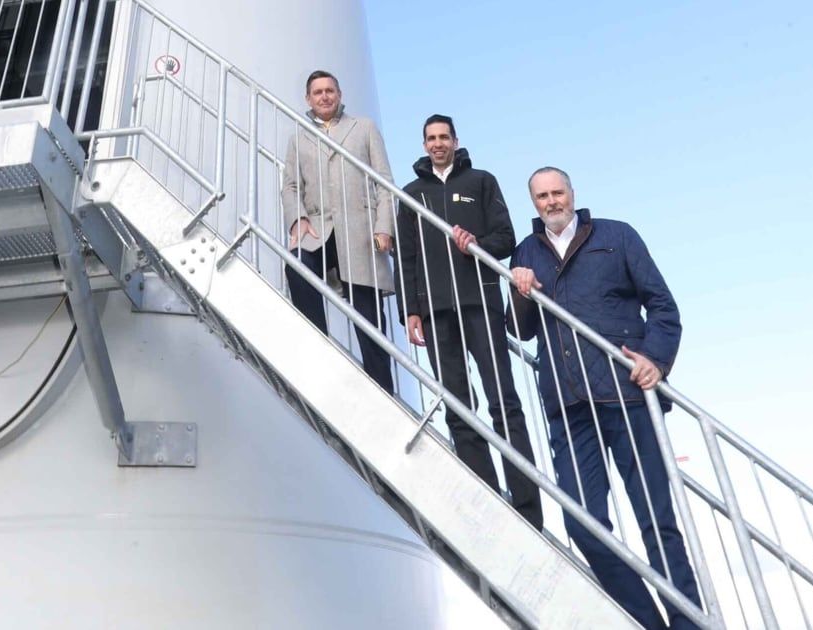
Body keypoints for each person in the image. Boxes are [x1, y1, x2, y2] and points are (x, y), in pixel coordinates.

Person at [508, 166, 702, 629]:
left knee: (657, 522)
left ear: (572, 193)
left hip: (626, 395)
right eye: (542, 197)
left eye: (557, 193)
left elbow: (662, 305)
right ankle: (648, 622)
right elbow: (520, 329)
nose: (551, 202)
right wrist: (520, 292)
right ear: (533, 203)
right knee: (583, 525)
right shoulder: (526, 251)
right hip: (568, 405)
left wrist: (656, 359)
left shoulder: (617, 236)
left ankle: (688, 623)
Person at [394, 114, 542, 530]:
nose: (438, 143)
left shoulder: (481, 182)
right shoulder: (411, 194)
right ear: (424, 145)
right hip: (436, 311)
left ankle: (528, 509)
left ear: (456, 141)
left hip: (480, 302)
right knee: (458, 408)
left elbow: (506, 237)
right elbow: (406, 256)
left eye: (444, 137)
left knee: (504, 402)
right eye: (431, 138)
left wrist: (478, 243)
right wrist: (411, 309)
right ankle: (488, 501)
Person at [281, 70, 396, 394]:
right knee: (298, 265)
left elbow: (384, 182)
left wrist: (384, 227)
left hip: (360, 231)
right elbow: (291, 185)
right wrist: (297, 219)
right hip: (319, 228)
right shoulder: (299, 137)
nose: (324, 96)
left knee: (369, 317)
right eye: (317, 92)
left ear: (340, 94)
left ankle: (383, 392)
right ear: (308, 99)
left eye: (329, 90)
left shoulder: (364, 128)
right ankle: (320, 345)